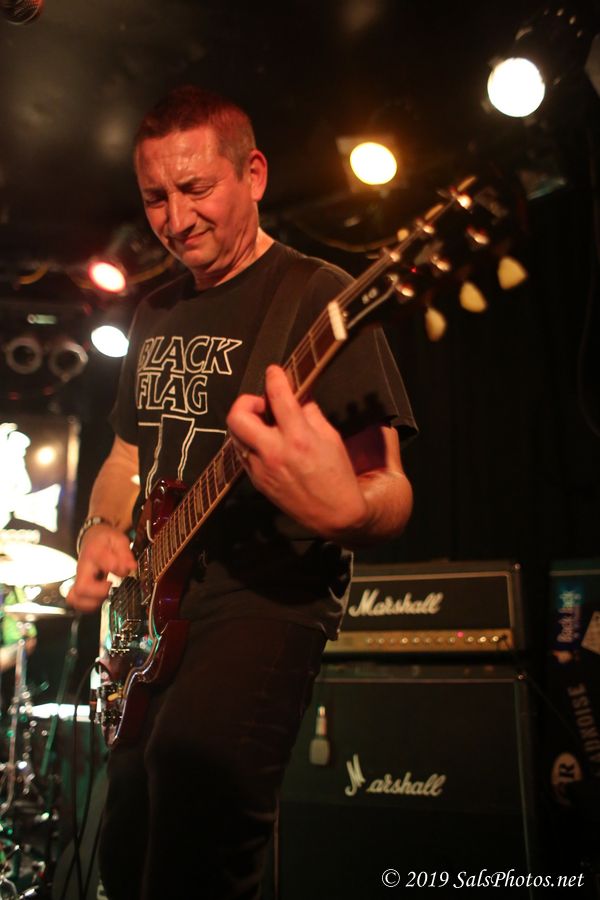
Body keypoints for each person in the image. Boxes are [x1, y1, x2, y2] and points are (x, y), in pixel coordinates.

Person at [68, 85, 416, 900]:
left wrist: (350, 513)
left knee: (196, 829)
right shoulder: (153, 312)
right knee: (127, 848)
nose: (175, 218)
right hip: (154, 616)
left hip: (265, 600)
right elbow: (127, 453)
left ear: (253, 174)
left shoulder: (317, 296)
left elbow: (390, 487)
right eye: (156, 197)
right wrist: (99, 525)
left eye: (196, 189)